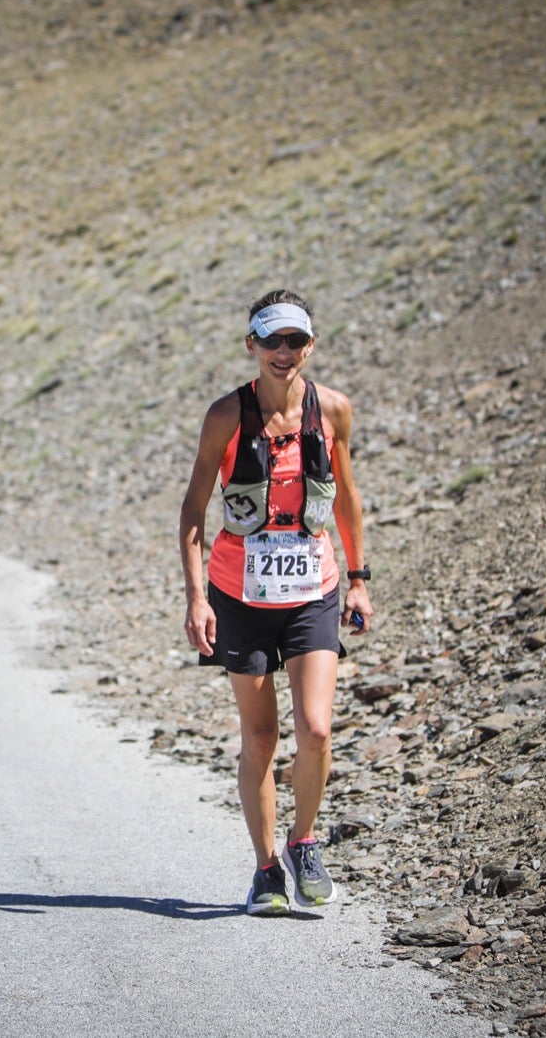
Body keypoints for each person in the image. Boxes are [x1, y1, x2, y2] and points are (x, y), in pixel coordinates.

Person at [177, 290, 374, 916]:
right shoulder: (226, 416)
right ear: (251, 346)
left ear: (310, 344)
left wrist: (361, 578)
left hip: (314, 589)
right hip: (239, 594)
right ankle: (266, 871)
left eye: (295, 340)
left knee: (316, 727)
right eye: (271, 340)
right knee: (260, 736)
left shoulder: (333, 410)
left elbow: (345, 498)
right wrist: (195, 597)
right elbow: (192, 510)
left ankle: (303, 841)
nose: (283, 352)